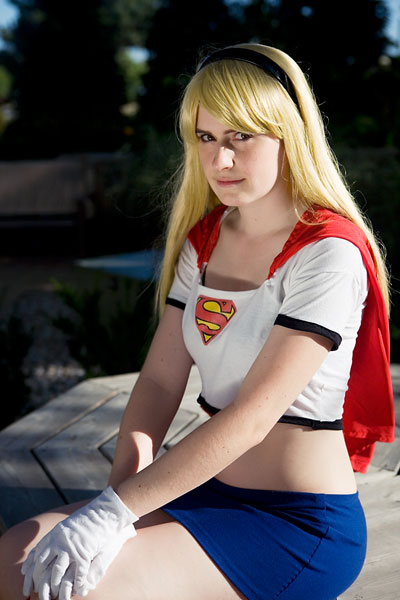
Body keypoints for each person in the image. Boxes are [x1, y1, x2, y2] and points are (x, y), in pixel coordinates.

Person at [0, 43, 394, 600]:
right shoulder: (205, 241)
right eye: (206, 137)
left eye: (240, 137)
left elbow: (253, 418)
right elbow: (160, 383)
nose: (219, 160)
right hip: (204, 491)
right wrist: (115, 512)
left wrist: (115, 512)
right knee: (14, 559)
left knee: (70, 590)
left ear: (290, 133)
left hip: (296, 524)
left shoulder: (329, 252)